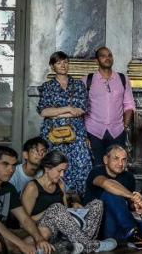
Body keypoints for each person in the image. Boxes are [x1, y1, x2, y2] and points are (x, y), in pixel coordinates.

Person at [21, 150, 115, 253]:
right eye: (59, 171)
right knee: (55, 207)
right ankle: (91, 245)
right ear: (47, 168)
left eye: (64, 171)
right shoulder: (32, 187)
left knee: (98, 204)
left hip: (67, 231)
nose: (62, 175)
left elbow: (64, 210)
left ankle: (76, 246)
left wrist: (74, 207)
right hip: (45, 229)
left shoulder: (60, 184)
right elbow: (24, 222)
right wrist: (48, 211)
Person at [0, 146, 54, 254]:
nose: (11, 170)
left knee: (44, 232)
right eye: (5, 164)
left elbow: (24, 219)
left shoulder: (9, 188)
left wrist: (39, 239)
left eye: (14, 165)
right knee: (12, 245)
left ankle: (28, 248)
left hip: (4, 231)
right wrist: (22, 245)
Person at [83, 145, 142, 250]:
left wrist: (136, 206)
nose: (121, 163)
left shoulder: (128, 177)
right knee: (110, 193)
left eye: (124, 160)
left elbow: (128, 206)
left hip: (120, 226)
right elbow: (107, 184)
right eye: (116, 158)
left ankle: (134, 236)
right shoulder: (96, 172)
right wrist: (131, 195)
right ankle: (134, 235)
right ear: (106, 159)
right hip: (99, 229)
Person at [38, 51, 93, 195]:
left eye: (65, 62)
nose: (63, 65)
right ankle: (57, 200)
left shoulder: (78, 85)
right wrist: (68, 109)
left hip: (76, 132)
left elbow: (82, 109)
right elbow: (43, 112)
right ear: (52, 66)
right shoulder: (47, 86)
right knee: (56, 165)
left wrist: (56, 113)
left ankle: (78, 203)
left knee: (81, 166)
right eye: (58, 63)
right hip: (52, 133)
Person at [84, 46, 135, 166]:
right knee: (97, 167)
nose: (107, 58)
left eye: (109, 55)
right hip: (93, 131)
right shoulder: (87, 80)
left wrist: (125, 126)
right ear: (96, 61)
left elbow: (129, 105)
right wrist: (84, 135)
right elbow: (81, 109)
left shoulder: (122, 79)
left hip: (117, 131)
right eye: (103, 56)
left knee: (117, 167)